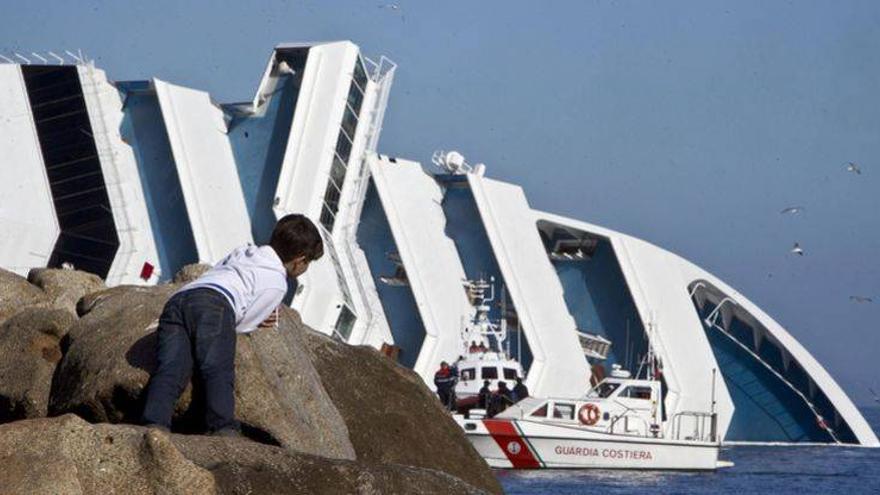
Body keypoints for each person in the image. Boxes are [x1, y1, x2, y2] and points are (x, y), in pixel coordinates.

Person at [141, 214, 323, 435]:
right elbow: (243, 325)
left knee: (171, 368)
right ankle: (222, 427)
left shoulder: (245, 251)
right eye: (308, 263)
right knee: (217, 369)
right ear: (299, 260)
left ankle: (154, 424)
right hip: (216, 305)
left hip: (181, 299)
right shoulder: (277, 282)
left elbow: (220, 271)